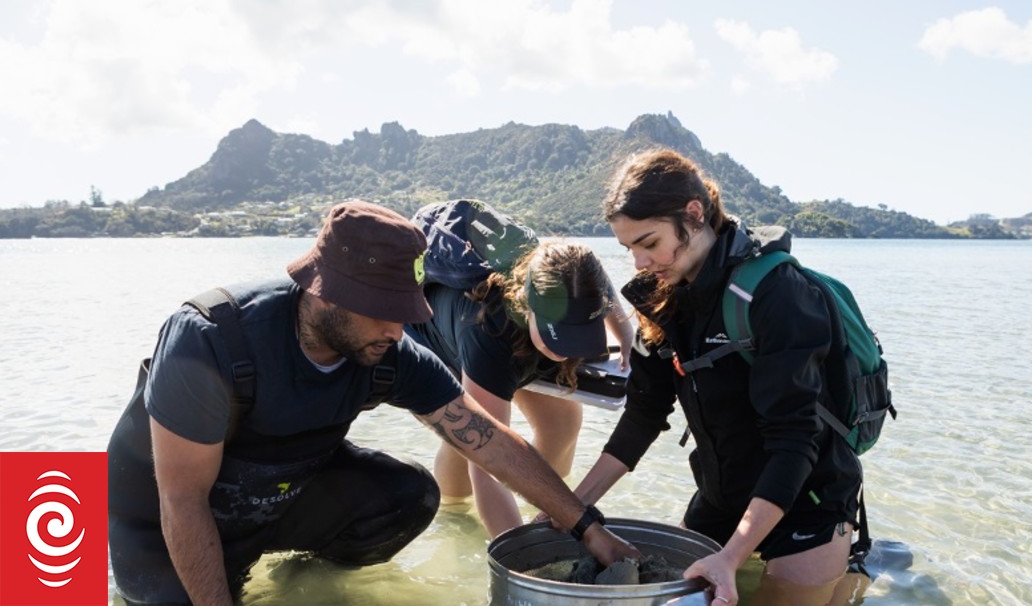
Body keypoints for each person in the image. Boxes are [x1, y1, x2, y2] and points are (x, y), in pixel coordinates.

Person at [106, 201, 639, 606]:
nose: (399, 329)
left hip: (276, 498)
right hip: (161, 519)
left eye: (406, 310)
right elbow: (182, 501)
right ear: (324, 294)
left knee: (407, 497)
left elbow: (491, 443)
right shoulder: (210, 340)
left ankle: (300, 579)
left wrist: (588, 527)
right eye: (384, 312)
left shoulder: (390, 350)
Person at [570, 149, 866, 605]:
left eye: (649, 243)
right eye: (629, 249)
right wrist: (572, 510)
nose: (640, 264)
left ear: (694, 213)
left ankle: (852, 568)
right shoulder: (656, 297)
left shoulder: (777, 292)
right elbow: (644, 415)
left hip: (809, 496)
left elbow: (795, 440)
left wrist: (730, 558)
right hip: (721, 496)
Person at [405, 240, 636, 537]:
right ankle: (455, 518)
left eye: (577, 337)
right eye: (560, 338)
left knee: (562, 424)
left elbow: (599, 281)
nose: (566, 352)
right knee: (468, 442)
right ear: (528, 306)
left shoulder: (577, 278)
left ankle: (544, 511)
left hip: (525, 337)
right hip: (439, 338)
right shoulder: (487, 331)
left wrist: (626, 336)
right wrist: (520, 557)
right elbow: (487, 461)